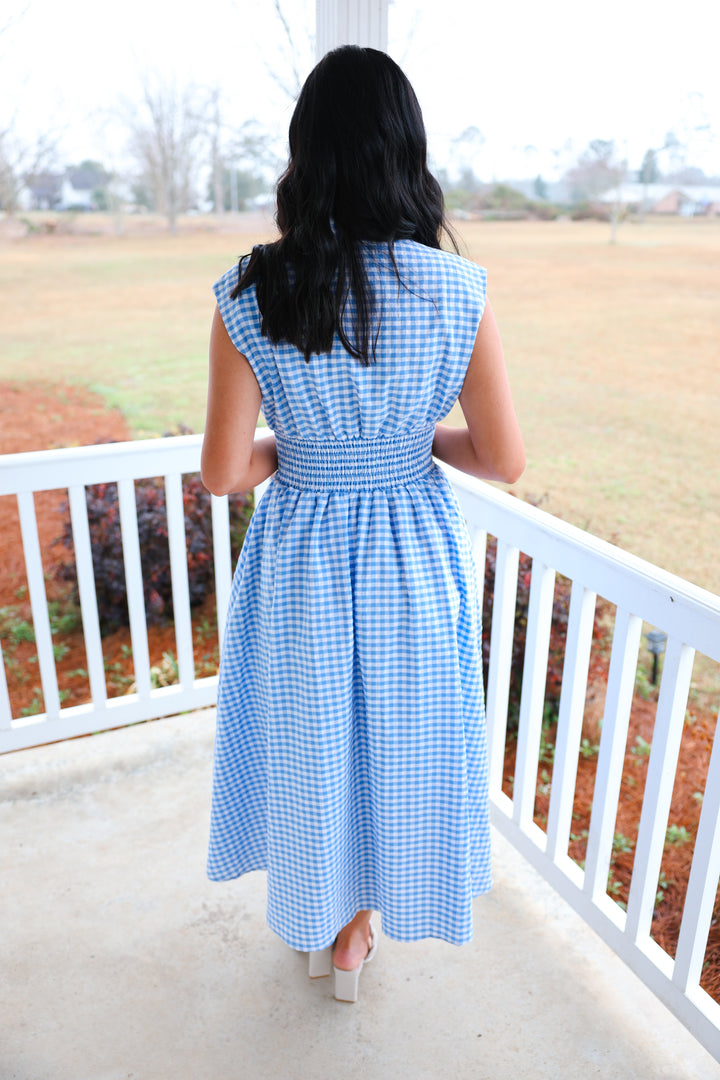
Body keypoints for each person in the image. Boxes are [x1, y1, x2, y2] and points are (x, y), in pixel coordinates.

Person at [201, 45, 525, 1003]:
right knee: (403, 734)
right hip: (409, 551)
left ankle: (326, 917)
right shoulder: (456, 292)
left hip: (299, 545)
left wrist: (302, 453)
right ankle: (367, 923)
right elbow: (502, 459)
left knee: (313, 735)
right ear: (405, 155)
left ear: (307, 156)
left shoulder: (249, 291)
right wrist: (407, 438)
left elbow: (224, 470)